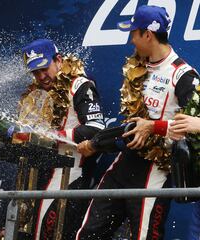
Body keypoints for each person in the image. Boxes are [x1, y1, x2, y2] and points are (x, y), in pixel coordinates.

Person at [76, 5, 200, 239]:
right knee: (90, 233)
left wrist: (153, 126)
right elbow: (134, 124)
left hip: (156, 171)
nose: (131, 40)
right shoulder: (135, 67)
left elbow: (195, 125)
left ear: (147, 35)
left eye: (133, 33)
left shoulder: (183, 76)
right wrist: (96, 144)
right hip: (125, 163)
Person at [0, 39, 106, 239]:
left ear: (58, 60)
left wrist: (52, 138)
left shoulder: (80, 85)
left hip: (70, 172)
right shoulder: (33, 95)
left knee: (48, 231)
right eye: (35, 72)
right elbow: (23, 136)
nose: (41, 76)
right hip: (37, 173)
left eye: (44, 69)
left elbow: (95, 130)